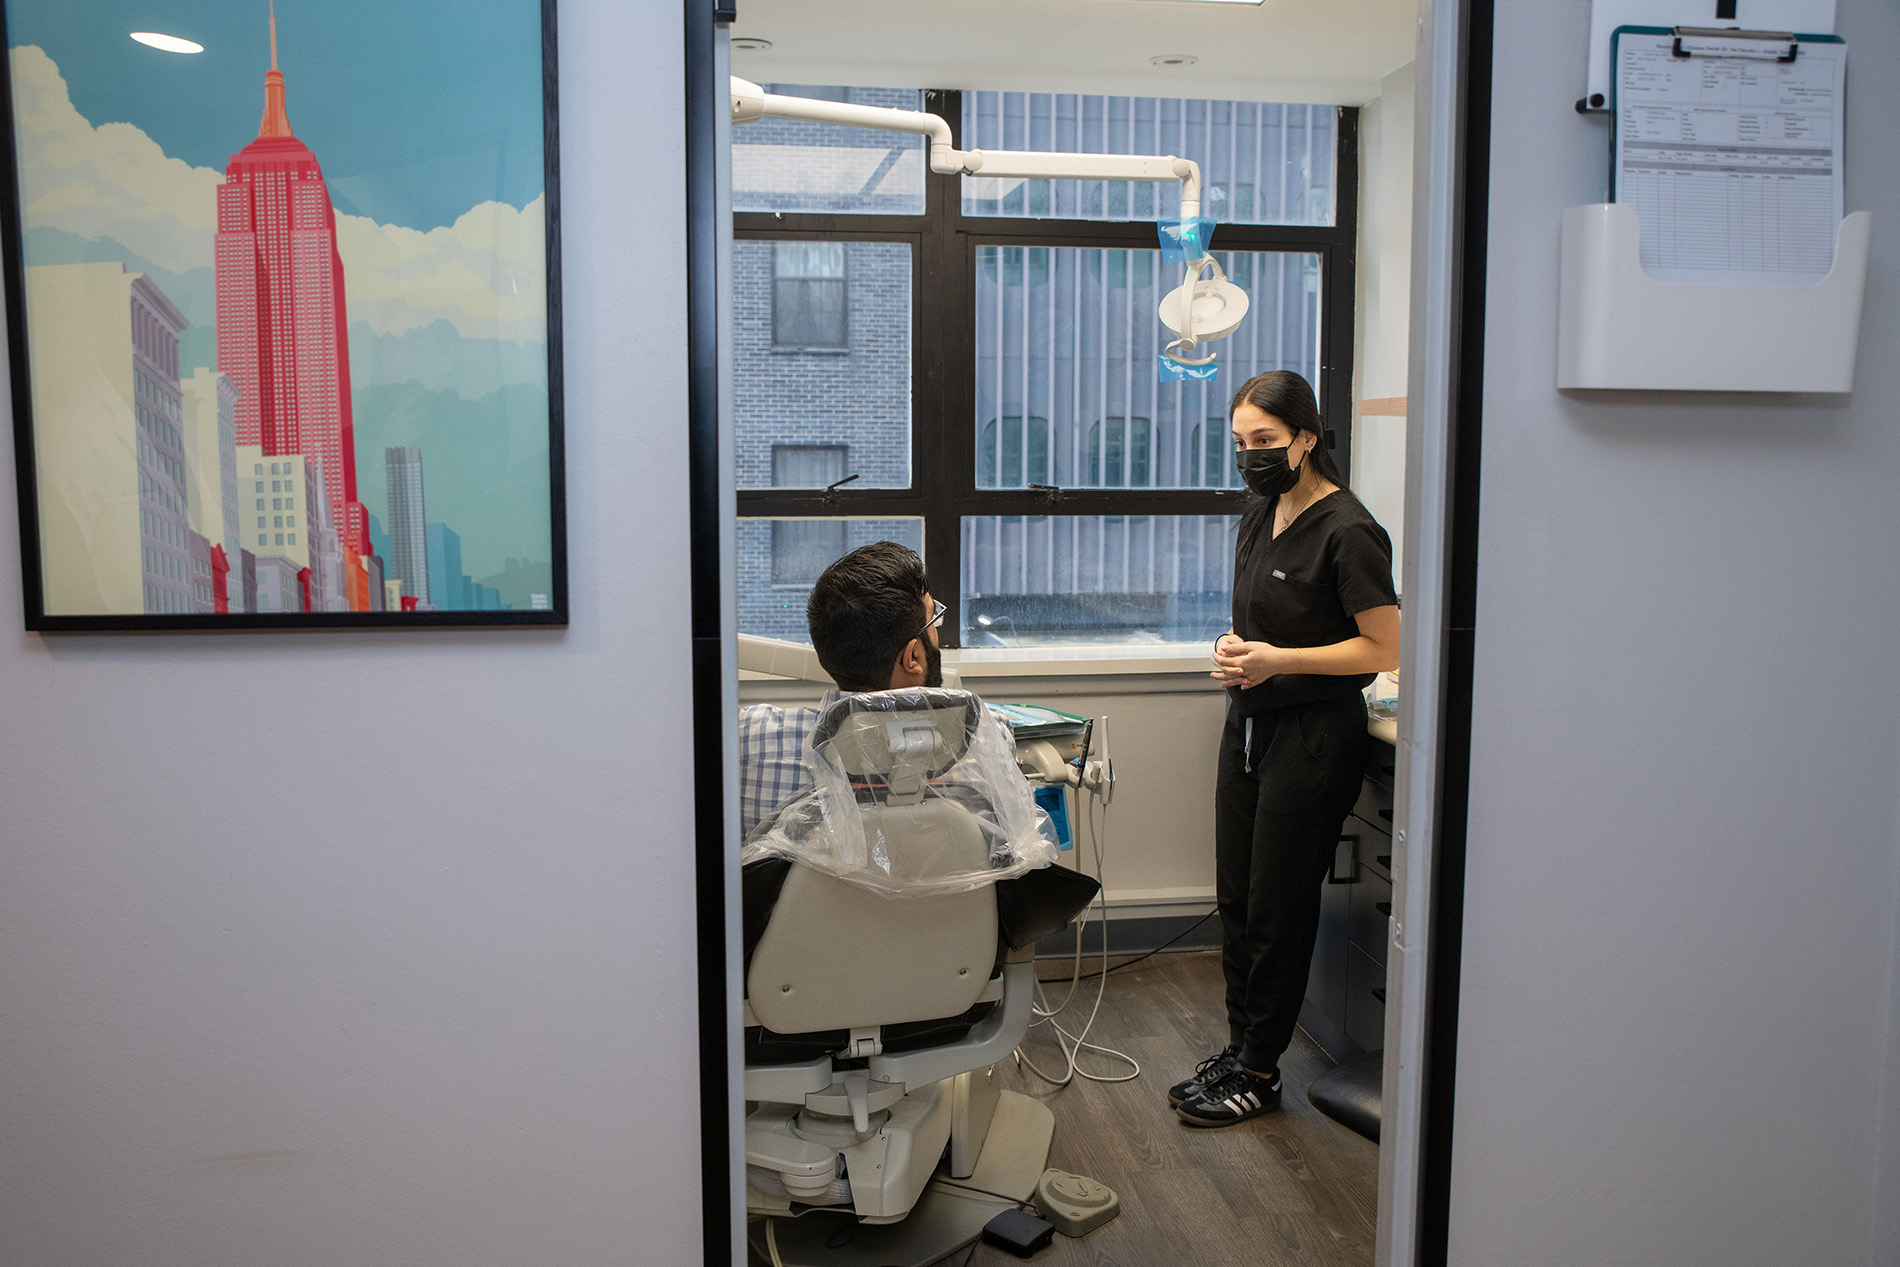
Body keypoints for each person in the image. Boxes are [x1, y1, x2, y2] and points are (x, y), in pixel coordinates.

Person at [1169, 370, 1401, 1128]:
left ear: (1307, 437)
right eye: (1239, 442)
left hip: (1312, 736)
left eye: (1264, 441)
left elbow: (1380, 646)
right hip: (1249, 725)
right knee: (1237, 898)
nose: (1250, 455)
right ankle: (1241, 1048)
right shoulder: (1259, 508)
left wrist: (1279, 660)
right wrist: (1240, 651)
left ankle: (1261, 1070)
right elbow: (1267, 617)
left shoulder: (1349, 529)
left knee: (1277, 906)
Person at [736, 540, 947, 839]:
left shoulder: (746, 741)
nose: (938, 631)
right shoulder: (981, 748)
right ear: (913, 657)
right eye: (934, 619)